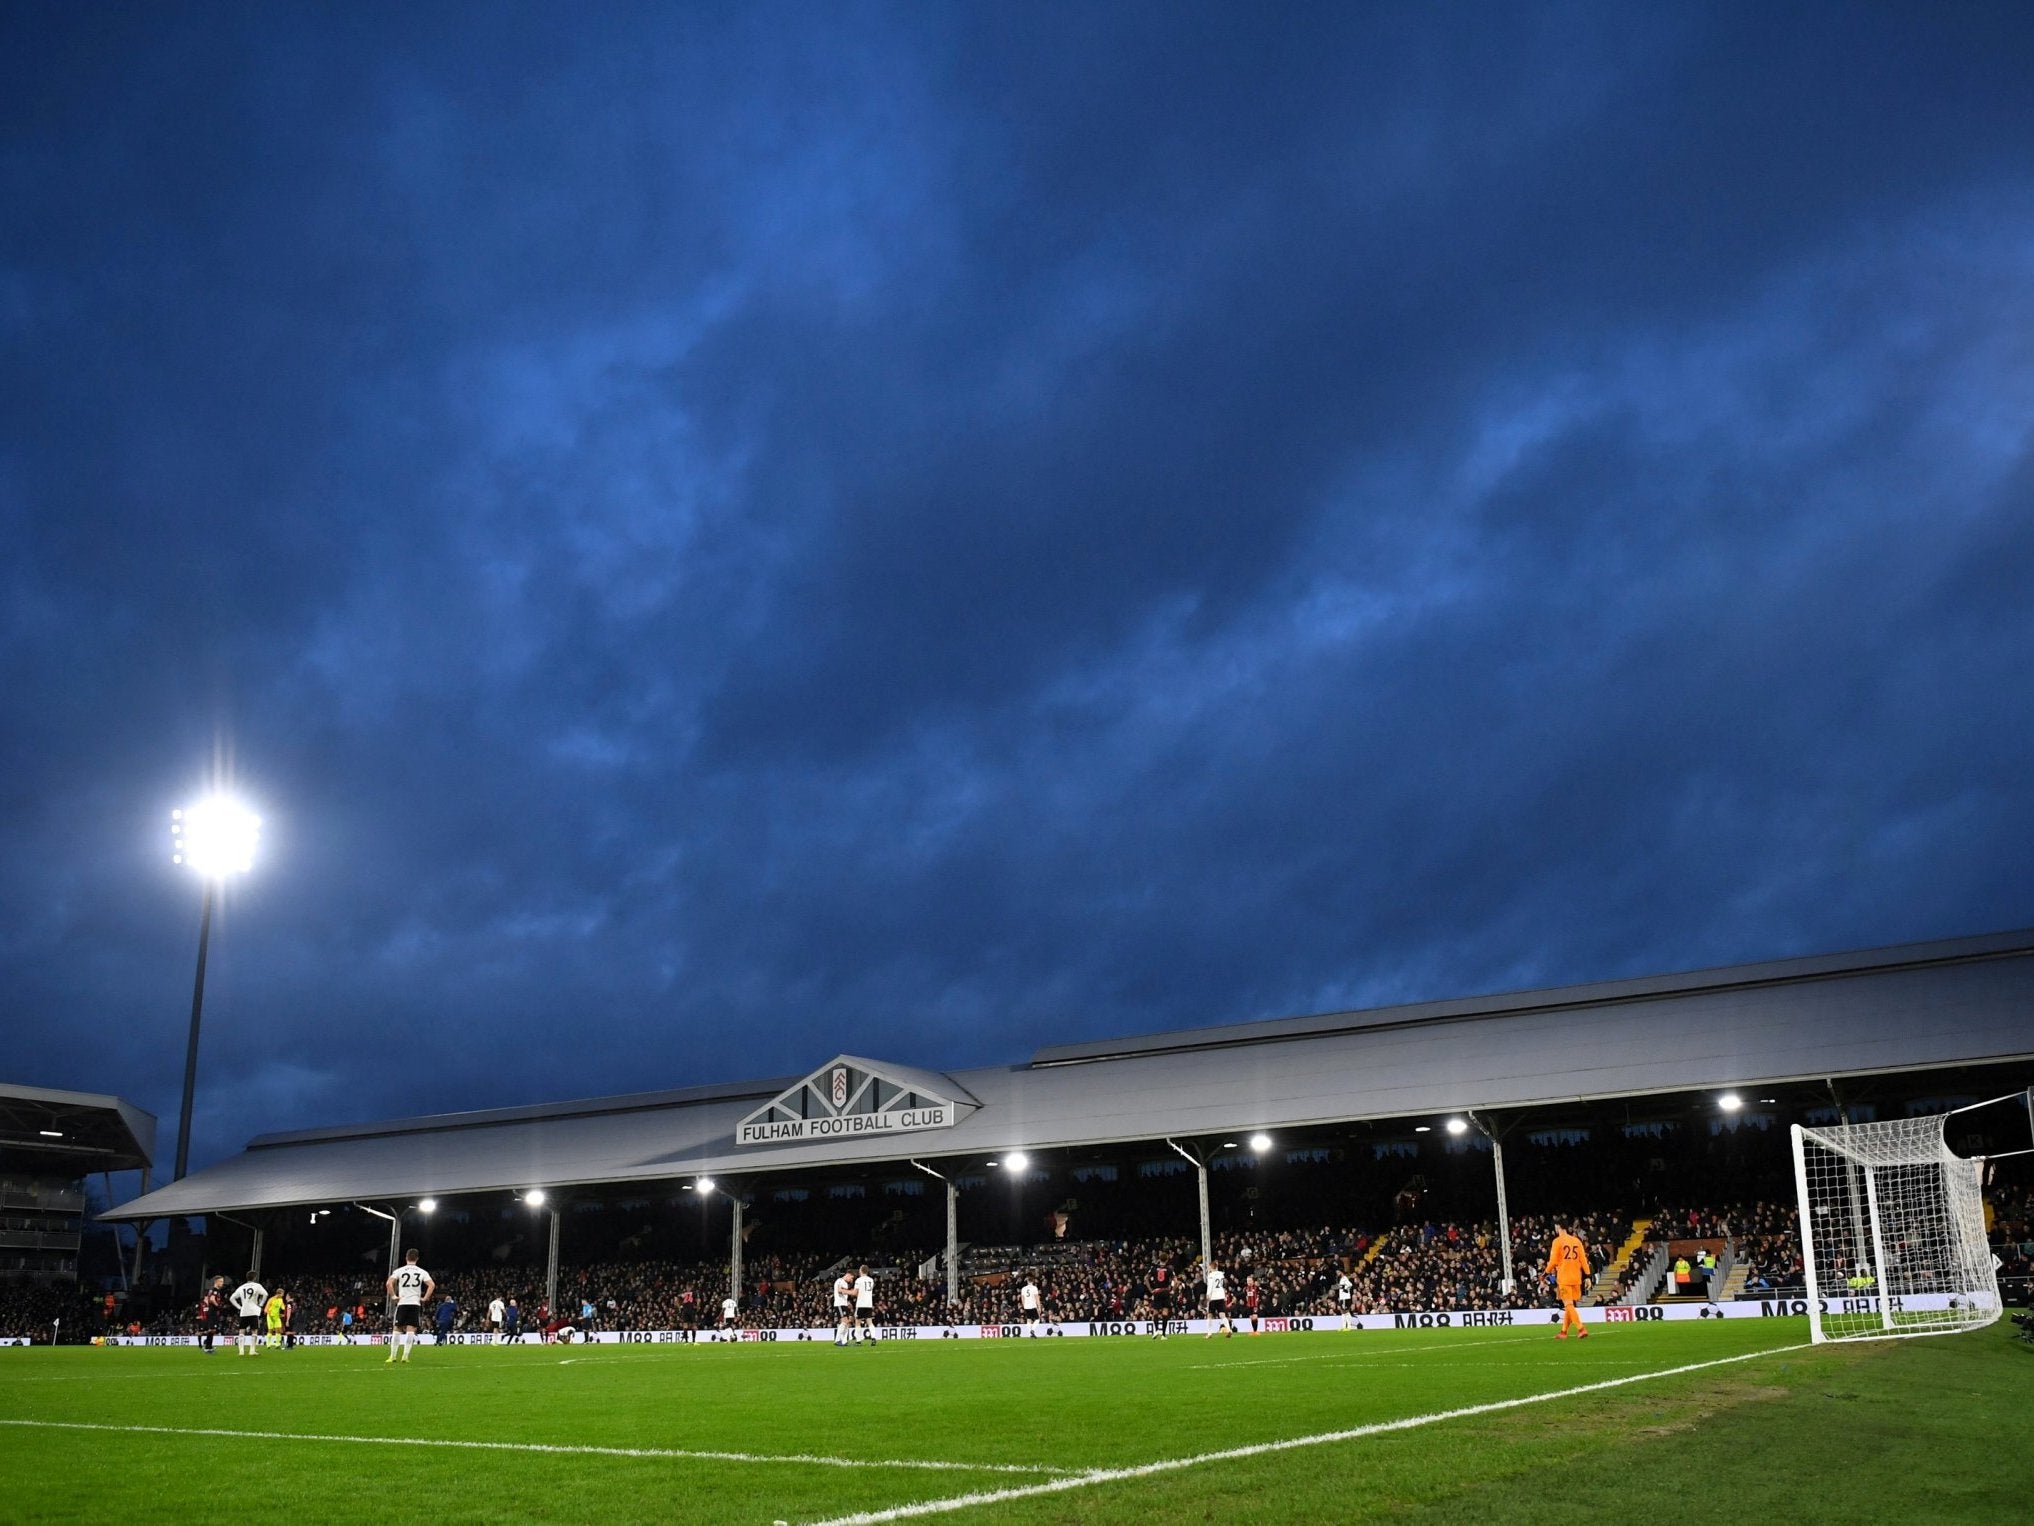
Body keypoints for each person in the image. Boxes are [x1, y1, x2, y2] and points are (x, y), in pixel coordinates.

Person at [384, 1248, 435, 1364]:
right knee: (411, 1329)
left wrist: (393, 1296)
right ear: (417, 1259)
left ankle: (392, 1356)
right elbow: (431, 1285)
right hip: (415, 1303)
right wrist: (425, 1298)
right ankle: (405, 1357)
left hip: (403, 1302)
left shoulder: (399, 1271)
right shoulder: (422, 1272)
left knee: (397, 1329)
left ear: (406, 1258)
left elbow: (388, 1283)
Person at [1546, 1222, 1592, 1340]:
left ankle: (1581, 1328)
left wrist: (1546, 1272)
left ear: (1558, 1227)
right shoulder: (1577, 1241)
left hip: (1564, 1278)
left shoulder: (1557, 1241)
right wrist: (1588, 1276)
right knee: (1569, 1306)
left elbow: (1553, 1261)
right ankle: (1563, 1332)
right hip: (1576, 1278)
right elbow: (1583, 1260)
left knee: (1568, 1305)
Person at [230, 1274, 268, 1357]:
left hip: (244, 1311)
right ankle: (252, 1350)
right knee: (254, 1330)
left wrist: (239, 1307)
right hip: (254, 1311)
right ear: (254, 1278)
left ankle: (241, 1351)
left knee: (241, 1331)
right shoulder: (257, 1286)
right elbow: (265, 1294)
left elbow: (232, 1298)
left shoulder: (241, 1287)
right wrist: (261, 1305)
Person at [196, 1277, 226, 1356]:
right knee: (211, 1330)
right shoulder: (215, 1290)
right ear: (216, 1282)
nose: (222, 1283)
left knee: (212, 1330)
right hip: (213, 1312)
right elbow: (212, 1299)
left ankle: (209, 1346)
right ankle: (208, 1348)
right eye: (221, 1281)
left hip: (212, 1312)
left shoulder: (212, 1290)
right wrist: (218, 1306)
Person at [1204, 1263, 1233, 1338]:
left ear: (1211, 1267)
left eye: (1209, 1267)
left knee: (1210, 1315)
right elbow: (1223, 1284)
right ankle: (1229, 1330)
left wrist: (1208, 1295)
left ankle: (1209, 1333)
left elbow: (1210, 1286)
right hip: (1221, 1296)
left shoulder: (1210, 1275)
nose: (1208, 1268)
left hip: (1213, 1297)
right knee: (1222, 1315)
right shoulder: (1221, 1274)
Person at [853, 1264, 877, 1345]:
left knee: (857, 1322)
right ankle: (873, 1338)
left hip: (860, 1303)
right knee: (870, 1321)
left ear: (861, 1270)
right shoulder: (871, 1280)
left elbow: (855, 1292)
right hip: (869, 1304)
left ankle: (858, 1341)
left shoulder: (858, 1280)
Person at [1149, 1261, 1173, 1338]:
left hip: (1157, 1291)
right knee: (1165, 1313)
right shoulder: (1169, 1269)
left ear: (1160, 1260)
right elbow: (1176, 1281)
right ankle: (1163, 1335)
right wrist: (1172, 1290)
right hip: (1165, 1291)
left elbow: (1146, 1278)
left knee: (1155, 1312)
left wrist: (1150, 1290)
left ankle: (1156, 1330)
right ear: (1166, 1259)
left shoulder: (1154, 1268)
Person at [832, 1271, 855, 1347]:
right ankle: (837, 1340)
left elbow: (844, 1294)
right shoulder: (839, 1281)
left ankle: (844, 1341)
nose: (851, 1280)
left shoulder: (845, 1283)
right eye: (851, 1278)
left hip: (844, 1304)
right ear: (848, 1275)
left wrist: (848, 1303)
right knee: (844, 1322)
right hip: (839, 1304)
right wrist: (851, 1292)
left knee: (847, 1323)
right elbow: (840, 1291)